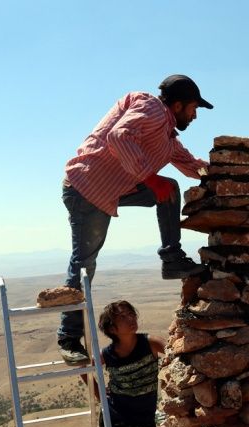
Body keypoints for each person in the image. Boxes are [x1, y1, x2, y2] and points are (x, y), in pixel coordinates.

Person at [57, 74, 213, 365]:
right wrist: (150, 178)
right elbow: (119, 136)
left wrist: (224, 172)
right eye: (193, 108)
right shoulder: (151, 107)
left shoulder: (167, 137)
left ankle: (172, 258)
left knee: (169, 189)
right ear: (177, 105)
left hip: (111, 189)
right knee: (84, 262)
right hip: (87, 188)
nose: (194, 115)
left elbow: (191, 165)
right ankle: (68, 338)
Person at [96, 300, 165, 427]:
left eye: (131, 314)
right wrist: (100, 396)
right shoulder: (107, 354)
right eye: (123, 317)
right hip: (116, 416)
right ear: (112, 328)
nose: (131, 319)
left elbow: (174, 354)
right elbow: (85, 368)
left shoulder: (150, 343)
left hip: (143, 417)